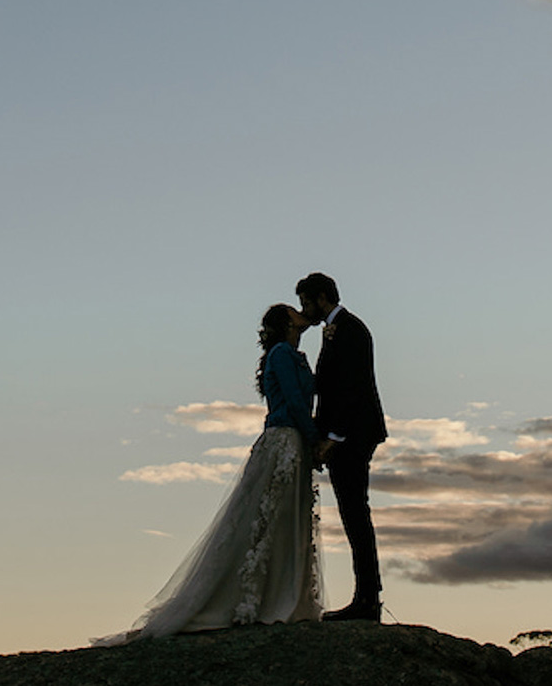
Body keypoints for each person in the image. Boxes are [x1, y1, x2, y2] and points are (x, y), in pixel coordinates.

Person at [105, 305, 322, 639]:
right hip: (284, 441)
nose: (301, 315)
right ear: (286, 324)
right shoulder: (281, 354)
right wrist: (313, 438)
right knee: (268, 518)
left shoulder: (295, 355)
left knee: (285, 518)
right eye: (294, 313)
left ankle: (282, 594)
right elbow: (293, 401)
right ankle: (257, 599)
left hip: (294, 443)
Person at [296, 271, 387, 622]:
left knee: (356, 514)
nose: (305, 310)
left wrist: (333, 438)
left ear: (321, 298)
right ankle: (366, 597)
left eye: (306, 302)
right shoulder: (336, 331)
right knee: (353, 514)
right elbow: (331, 388)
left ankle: (367, 599)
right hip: (348, 433)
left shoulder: (350, 330)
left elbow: (350, 389)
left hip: (354, 435)